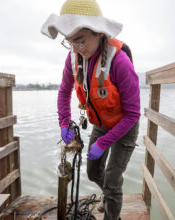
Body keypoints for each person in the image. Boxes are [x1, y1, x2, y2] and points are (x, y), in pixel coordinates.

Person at [41, 0, 140, 219]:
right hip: (102, 124)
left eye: (80, 40)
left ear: (99, 33)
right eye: (70, 42)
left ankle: (112, 211)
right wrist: (64, 121)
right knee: (93, 171)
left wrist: (103, 142)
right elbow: (64, 91)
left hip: (125, 125)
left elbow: (133, 114)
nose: (76, 48)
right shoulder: (73, 58)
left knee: (113, 178)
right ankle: (110, 196)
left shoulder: (120, 61)